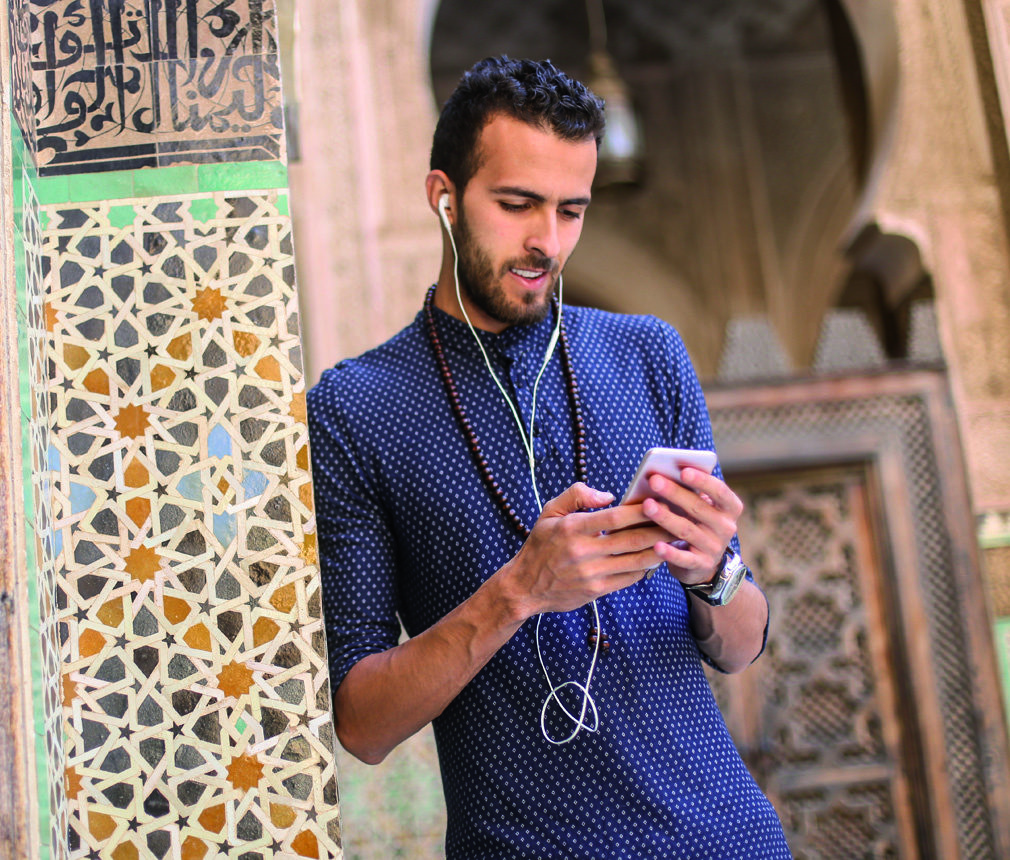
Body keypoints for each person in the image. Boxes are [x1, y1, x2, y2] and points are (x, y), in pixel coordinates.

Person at [306, 56, 791, 858]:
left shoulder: (648, 354)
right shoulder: (355, 409)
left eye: (572, 210)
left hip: (726, 838)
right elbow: (361, 724)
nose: (547, 241)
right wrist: (520, 592)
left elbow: (739, 645)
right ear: (444, 196)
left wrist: (716, 571)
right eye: (517, 204)